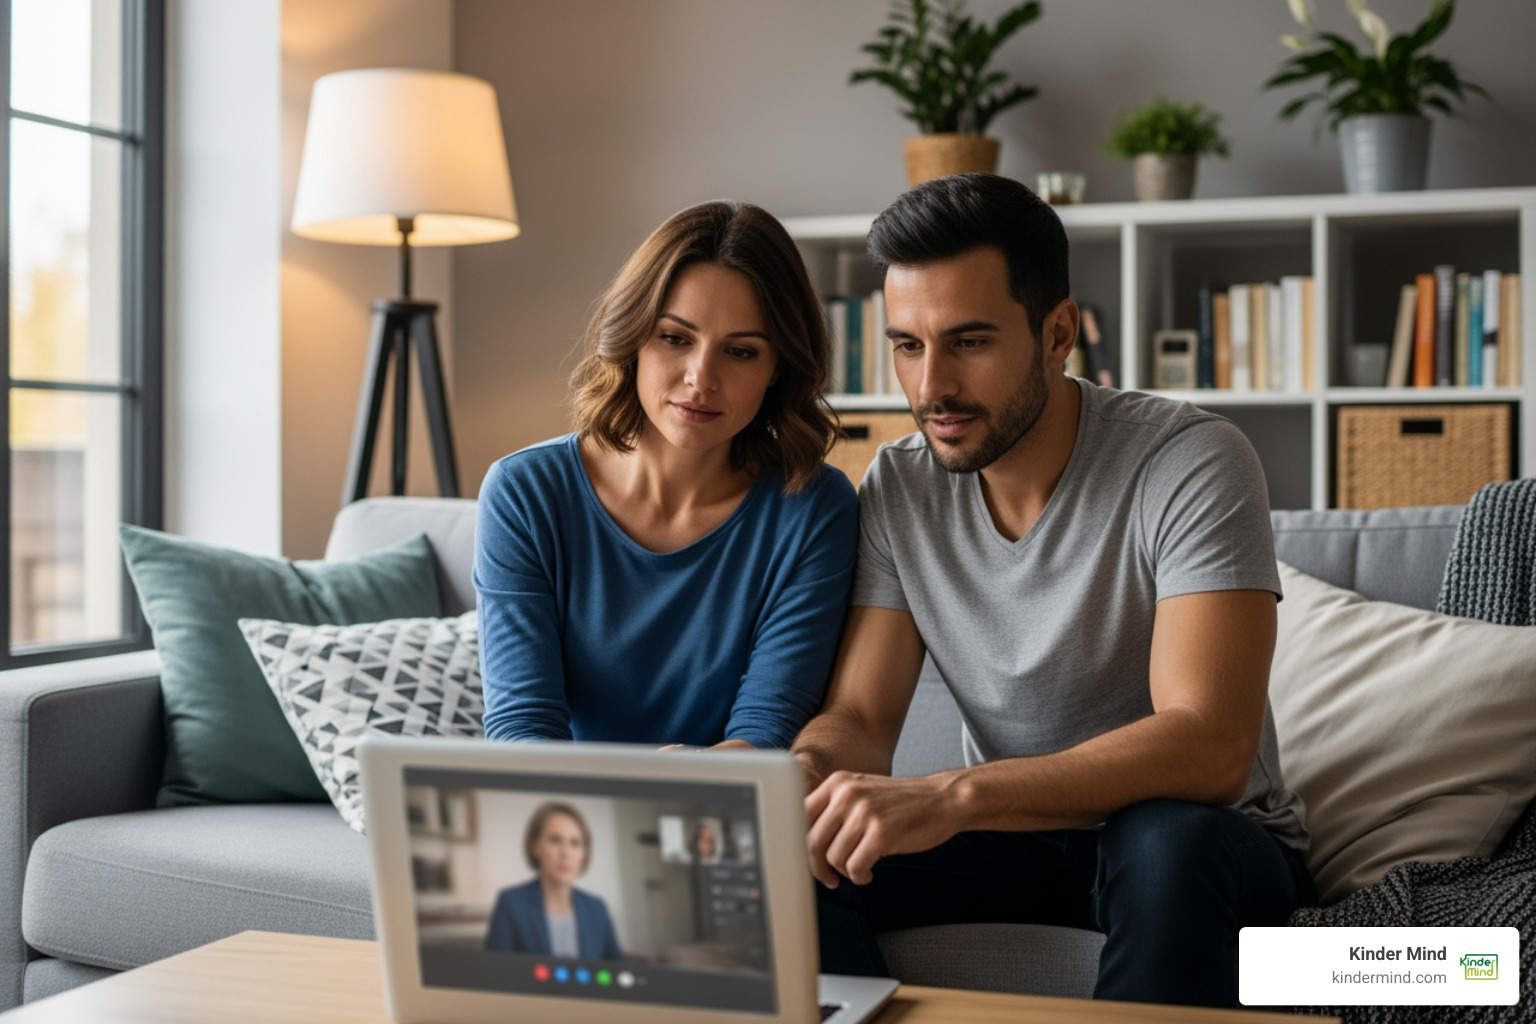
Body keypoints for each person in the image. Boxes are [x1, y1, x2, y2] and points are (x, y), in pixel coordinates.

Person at [790, 174, 1313, 1009]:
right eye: (908, 345)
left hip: (1205, 841)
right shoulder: (901, 483)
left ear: (1057, 332)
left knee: (1164, 842)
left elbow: (1208, 745)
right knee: (798, 861)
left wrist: (953, 795)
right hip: (1016, 836)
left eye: (969, 342)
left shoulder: (1190, 461)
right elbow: (860, 720)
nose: (930, 389)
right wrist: (794, 780)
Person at [474, 201, 857, 749]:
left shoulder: (815, 508)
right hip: (566, 819)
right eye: (675, 338)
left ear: (778, 370)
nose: (701, 378)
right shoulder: (526, 493)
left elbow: (767, 728)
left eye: (741, 351)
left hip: (723, 817)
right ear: (633, 339)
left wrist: (692, 788)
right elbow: (522, 728)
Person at [485, 802, 623, 960]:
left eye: (575, 843)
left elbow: (616, 971)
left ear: (584, 853)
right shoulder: (510, 903)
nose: (566, 853)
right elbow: (496, 973)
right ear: (535, 847)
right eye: (555, 840)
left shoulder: (597, 908)